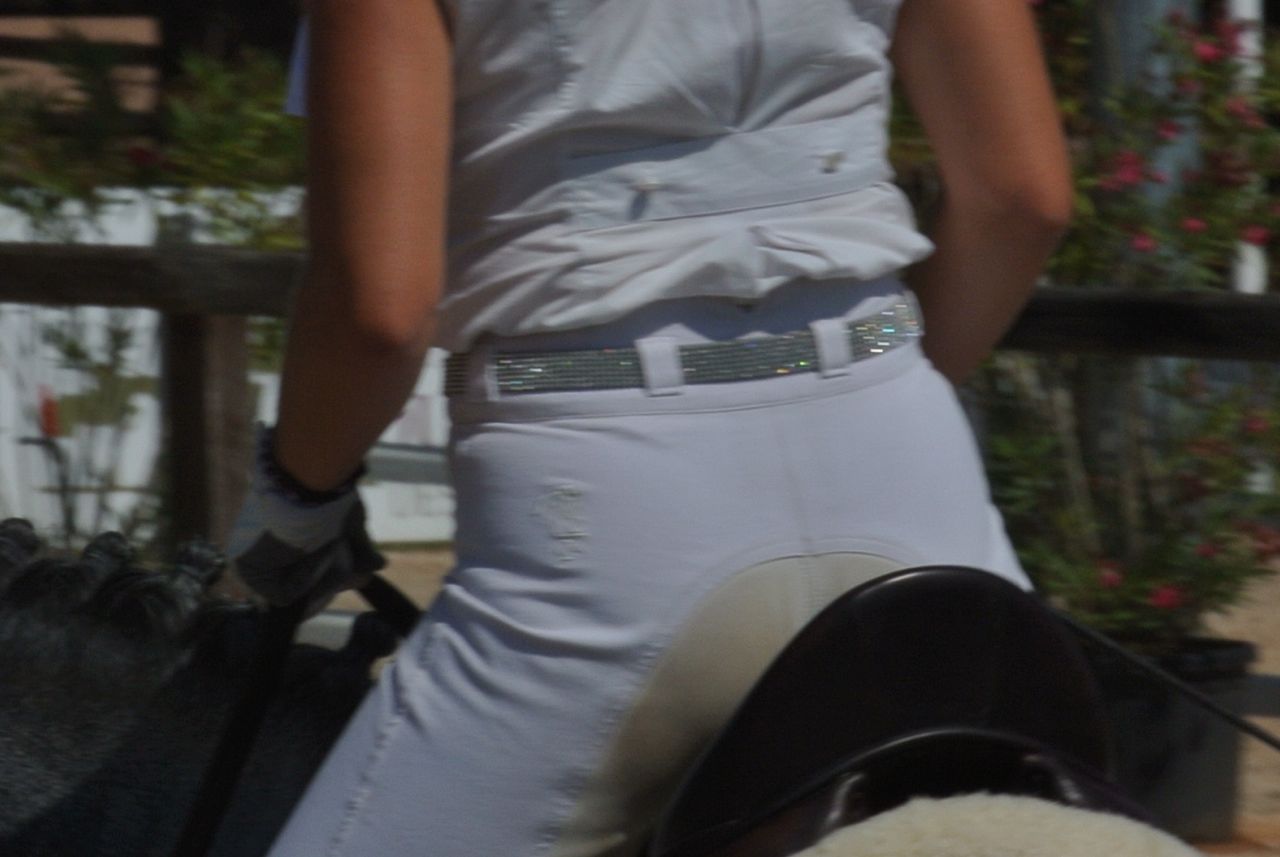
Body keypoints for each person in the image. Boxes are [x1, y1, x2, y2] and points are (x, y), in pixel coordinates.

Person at [227, 0, 1072, 853]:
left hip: (608, 514)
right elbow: (1021, 200)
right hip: (907, 466)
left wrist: (297, 499)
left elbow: (378, 316)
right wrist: (878, 395)